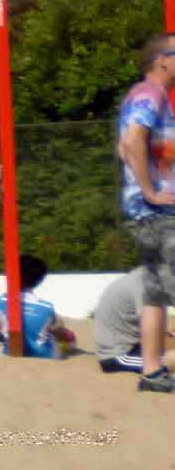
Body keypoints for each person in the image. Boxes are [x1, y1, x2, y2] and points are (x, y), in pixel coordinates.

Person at [115, 32, 175, 392]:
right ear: (161, 60)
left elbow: (125, 148)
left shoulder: (145, 96)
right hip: (157, 211)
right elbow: (133, 140)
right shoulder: (150, 94)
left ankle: (152, 371)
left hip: (146, 210)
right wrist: (151, 190)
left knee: (156, 292)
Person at [0, 255, 74, 359]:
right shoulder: (47, 307)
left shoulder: (1, 301)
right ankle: (69, 337)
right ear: (39, 281)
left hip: (11, 352)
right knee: (60, 329)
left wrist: (9, 337)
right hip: (45, 355)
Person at [91, 267, 174, 373]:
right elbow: (156, 333)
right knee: (171, 359)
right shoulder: (146, 285)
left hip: (137, 344)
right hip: (119, 354)